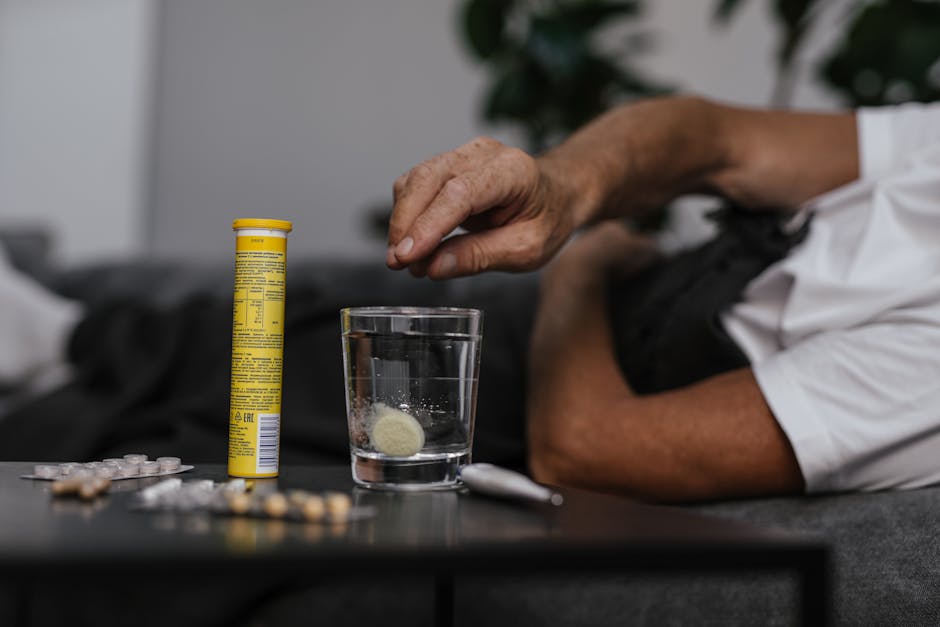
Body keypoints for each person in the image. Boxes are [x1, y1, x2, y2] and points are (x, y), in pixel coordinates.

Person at [386, 95, 940, 502]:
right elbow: (718, 139)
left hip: (534, 392)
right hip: (546, 310)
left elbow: (580, 453)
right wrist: (562, 186)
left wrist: (581, 269)